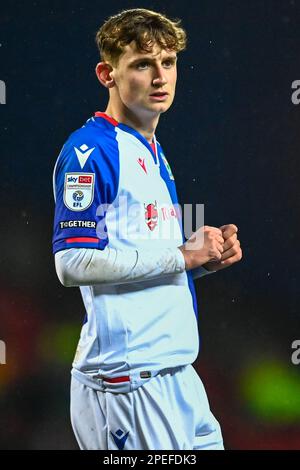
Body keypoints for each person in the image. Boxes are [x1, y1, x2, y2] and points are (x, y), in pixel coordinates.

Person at [52, 8, 242, 450]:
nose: (160, 77)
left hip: (178, 375)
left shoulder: (152, 149)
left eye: (168, 63)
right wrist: (183, 256)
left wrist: (203, 262)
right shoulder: (89, 151)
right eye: (142, 63)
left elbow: (139, 259)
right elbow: (72, 263)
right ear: (107, 74)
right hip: (127, 383)